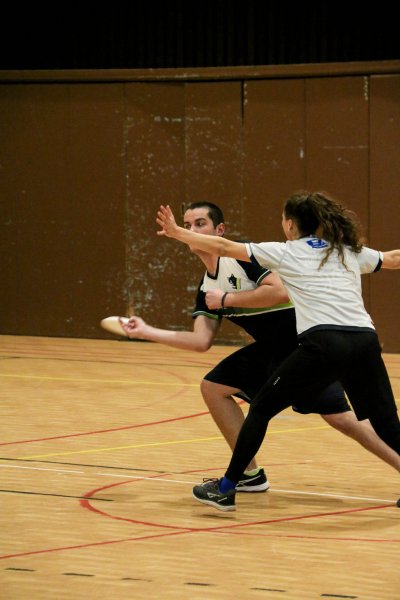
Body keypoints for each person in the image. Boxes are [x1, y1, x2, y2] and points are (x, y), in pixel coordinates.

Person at [118, 201, 400, 495]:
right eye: (187, 226)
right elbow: (201, 341)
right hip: (277, 351)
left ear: (220, 230)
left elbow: (277, 291)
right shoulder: (206, 287)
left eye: (199, 224)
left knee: (342, 419)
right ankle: (248, 475)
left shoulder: (248, 257)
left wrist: (227, 299)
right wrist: (147, 331)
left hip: (306, 347)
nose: (192, 231)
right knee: (214, 387)